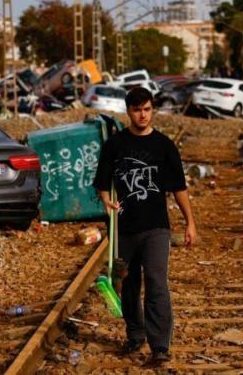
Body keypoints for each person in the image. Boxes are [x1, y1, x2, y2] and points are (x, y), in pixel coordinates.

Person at [93, 87, 196, 363]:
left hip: (156, 227)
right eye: (137, 110)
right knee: (128, 284)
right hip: (125, 227)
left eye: (147, 109)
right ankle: (135, 335)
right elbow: (102, 181)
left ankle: (160, 345)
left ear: (153, 110)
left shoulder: (164, 146)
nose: (143, 115)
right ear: (129, 111)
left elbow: (179, 188)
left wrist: (190, 222)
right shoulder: (115, 145)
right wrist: (106, 200)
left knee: (156, 282)